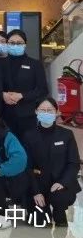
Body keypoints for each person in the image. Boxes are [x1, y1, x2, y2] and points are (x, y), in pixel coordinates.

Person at [23, 97, 80, 227]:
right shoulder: (29, 135)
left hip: (60, 184)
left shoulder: (66, 134)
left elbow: (73, 163)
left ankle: (60, 212)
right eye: (42, 110)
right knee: (39, 221)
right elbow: (27, 166)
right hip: (38, 185)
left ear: (56, 112)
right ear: (36, 111)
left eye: (50, 110)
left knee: (59, 201)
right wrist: (36, 191)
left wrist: (62, 182)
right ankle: (43, 211)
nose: (46, 113)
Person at [2, 29, 48, 137]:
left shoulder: (35, 64)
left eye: (19, 43)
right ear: (7, 44)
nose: (15, 45)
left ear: (25, 44)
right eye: (12, 43)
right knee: (6, 143)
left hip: (27, 114)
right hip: (3, 113)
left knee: (27, 144)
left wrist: (22, 95)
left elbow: (43, 90)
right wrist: (2, 94)